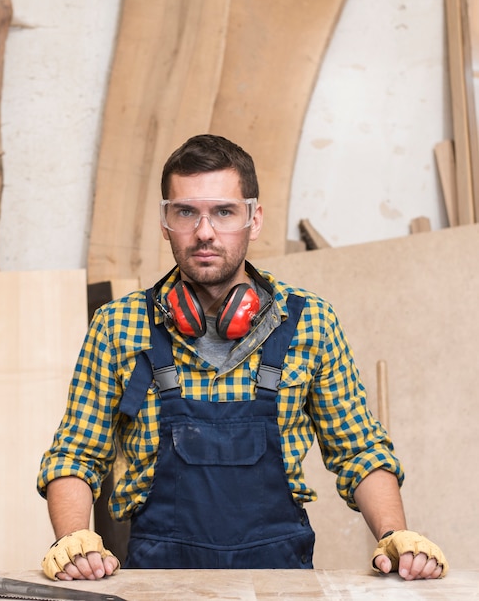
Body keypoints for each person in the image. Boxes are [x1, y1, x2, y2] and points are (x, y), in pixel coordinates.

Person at [37, 134, 447, 582]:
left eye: (224, 212)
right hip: (158, 584)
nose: (204, 231)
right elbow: (75, 456)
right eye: (186, 212)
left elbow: (360, 450)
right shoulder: (118, 327)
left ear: (254, 219)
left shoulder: (309, 323)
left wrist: (394, 533)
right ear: (165, 221)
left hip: (281, 582)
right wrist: (72, 539)